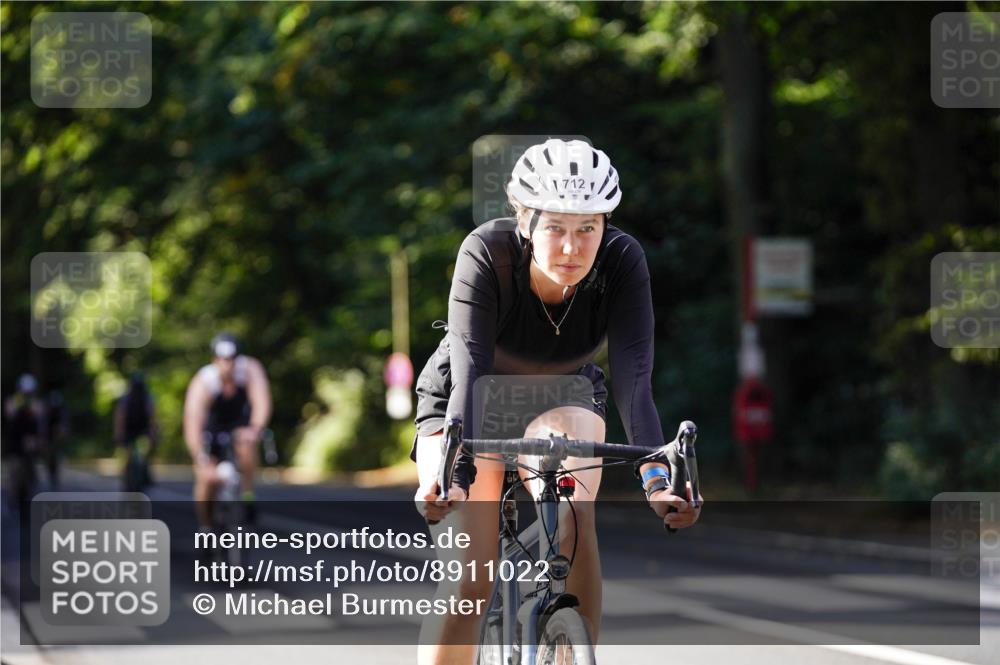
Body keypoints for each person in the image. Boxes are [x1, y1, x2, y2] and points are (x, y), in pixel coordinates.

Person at [411, 138, 702, 664]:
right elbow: (471, 373)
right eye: (556, 228)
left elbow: (636, 382)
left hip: (564, 394)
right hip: (469, 395)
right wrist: (451, 477)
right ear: (525, 223)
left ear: (605, 226)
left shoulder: (621, 261)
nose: (572, 248)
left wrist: (659, 481)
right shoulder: (487, 253)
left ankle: (569, 648)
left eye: (588, 228)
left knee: (576, 515)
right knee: (472, 578)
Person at [183, 333, 271, 530]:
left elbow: (261, 401)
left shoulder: (250, 369)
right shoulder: (203, 382)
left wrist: (255, 428)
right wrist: (200, 458)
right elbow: (192, 423)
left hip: (239, 427)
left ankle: (248, 497)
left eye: (232, 359)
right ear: (215, 359)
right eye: (223, 360)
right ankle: (205, 527)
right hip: (211, 432)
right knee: (206, 479)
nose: (227, 365)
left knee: (247, 445)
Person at [2, 374, 47, 507]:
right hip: (15, 447)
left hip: (31, 448)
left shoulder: (37, 403)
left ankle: (29, 500)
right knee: (15, 477)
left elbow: (40, 420)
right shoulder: (13, 401)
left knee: (31, 477)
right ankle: (13, 502)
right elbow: (9, 414)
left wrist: (38, 441)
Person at [114, 373, 159, 489]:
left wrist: (119, 433)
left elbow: (151, 416)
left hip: (140, 428)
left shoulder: (136, 397)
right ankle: (127, 477)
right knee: (129, 455)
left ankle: (142, 473)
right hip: (132, 428)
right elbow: (121, 417)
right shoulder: (142, 397)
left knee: (140, 452)